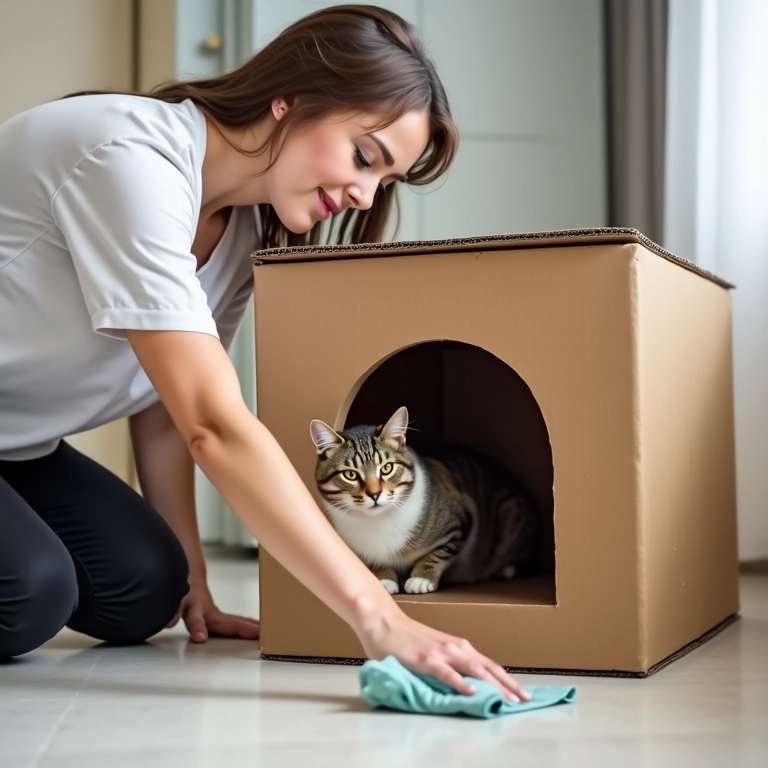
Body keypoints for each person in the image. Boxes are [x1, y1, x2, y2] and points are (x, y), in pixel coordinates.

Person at [0, 4, 530, 702]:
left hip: (19, 443)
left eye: (385, 181)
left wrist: (193, 570)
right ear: (291, 101)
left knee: (147, 591)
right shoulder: (128, 159)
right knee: (29, 594)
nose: (363, 194)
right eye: (364, 156)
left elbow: (166, 399)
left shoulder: (246, 228)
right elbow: (213, 424)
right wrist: (377, 617)